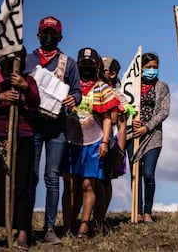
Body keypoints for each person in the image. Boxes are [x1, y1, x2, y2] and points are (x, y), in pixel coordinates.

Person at [25, 16, 81, 244]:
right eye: (45, 33)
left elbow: (77, 91)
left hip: (58, 126)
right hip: (32, 125)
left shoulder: (68, 63)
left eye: (53, 33)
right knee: (31, 177)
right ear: (38, 35)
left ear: (60, 37)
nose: (49, 37)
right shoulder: (27, 60)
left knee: (52, 177)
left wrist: (72, 99)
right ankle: (24, 227)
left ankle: (49, 229)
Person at [62, 48, 121, 240]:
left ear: (96, 67)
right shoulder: (68, 85)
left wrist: (105, 141)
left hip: (93, 142)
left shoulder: (102, 88)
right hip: (70, 141)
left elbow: (107, 118)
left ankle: (84, 227)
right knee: (70, 186)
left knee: (88, 184)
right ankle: (68, 226)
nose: (86, 67)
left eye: (90, 64)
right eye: (83, 64)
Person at [0, 48, 40, 250]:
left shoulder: (28, 80)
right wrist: (1, 96)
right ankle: (2, 228)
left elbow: (36, 102)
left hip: (23, 136)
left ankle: (23, 231)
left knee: (24, 184)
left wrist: (25, 88)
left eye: (18, 58)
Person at [126, 52, 170, 224]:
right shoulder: (131, 86)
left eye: (155, 67)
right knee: (135, 173)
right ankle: (136, 211)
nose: (152, 70)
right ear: (141, 68)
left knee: (148, 173)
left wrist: (147, 127)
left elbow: (164, 111)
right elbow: (123, 106)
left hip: (153, 136)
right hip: (133, 135)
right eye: (148, 67)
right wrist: (132, 121)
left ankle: (147, 211)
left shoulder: (162, 87)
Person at [98, 56, 135, 226]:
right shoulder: (92, 90)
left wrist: (120, 151)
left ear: (112, 74)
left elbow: (121, 126)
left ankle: (100, 218)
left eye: (103, 69)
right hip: (88, 138)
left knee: (105, 179)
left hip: (110, 142)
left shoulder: (119, 96)